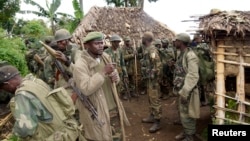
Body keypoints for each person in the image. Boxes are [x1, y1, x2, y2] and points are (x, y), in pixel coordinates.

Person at [0, 65, 85, 141]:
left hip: (54, 136)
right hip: (68, 130)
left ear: (7, 83)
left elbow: (25, 129)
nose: (4, 90)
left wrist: (15, 132)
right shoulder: (35, 81)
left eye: (3, 87)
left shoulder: (22, 95)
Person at [73, 31, 130, 141]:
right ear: (87, 45)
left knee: (118, 137)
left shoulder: (106, 57)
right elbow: (86, 88)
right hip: (98, 110)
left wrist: (115, 78)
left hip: (113, 107)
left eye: (101, 42)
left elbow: (115, 78)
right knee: (102, 137)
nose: (100, 46)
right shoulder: (80, 65)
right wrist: (103, 72)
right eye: (96, 43)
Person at [173, 33, 200, 141]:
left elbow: (193, 75)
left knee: (188, 113)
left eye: (176, 40)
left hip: (187, 90)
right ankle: (186, 131)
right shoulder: (181, 54)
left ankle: (189, 136)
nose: (175, 42)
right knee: (182, 112)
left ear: (181, 42)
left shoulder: (190, 56)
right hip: (181, 88)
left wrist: (185, 92)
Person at [140, 32, 162, 133]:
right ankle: (152, 116)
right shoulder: (147, 50)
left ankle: (157, 122)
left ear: (147, 39)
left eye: (143, 38)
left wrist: (152, 76)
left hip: (153, 81)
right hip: (149, 79)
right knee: (150, 99)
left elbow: (158, 67)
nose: (141, 39)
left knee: (154, 99)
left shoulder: (152, 50)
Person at [105, 34, 129, 100]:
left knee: (119, 89)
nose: (117, 44)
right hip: (111, 74)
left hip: (119, 73)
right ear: (112, 42)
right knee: (111, 90)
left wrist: (125, 74)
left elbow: (122, 63)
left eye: (118, 42)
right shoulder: (106, 52)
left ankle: (118, 100)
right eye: (116, 42)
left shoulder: (120, 51)